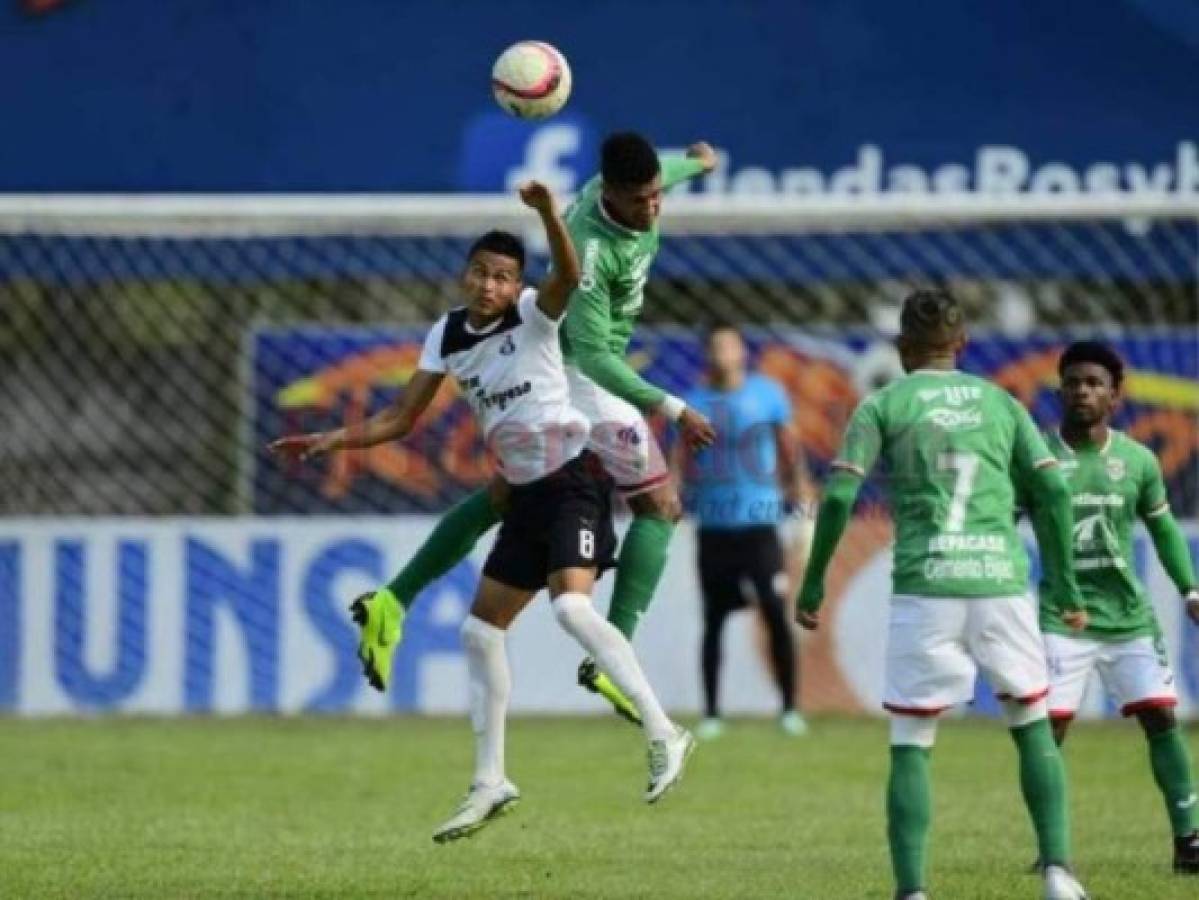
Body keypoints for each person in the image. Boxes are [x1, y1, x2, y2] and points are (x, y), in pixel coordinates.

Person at [270, 182, 694, 842]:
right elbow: (399, 418)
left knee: (570, 608)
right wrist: (331, 439)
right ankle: (490, 781)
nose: (490, 285)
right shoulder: (445, 333)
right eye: (480, 272)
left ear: (517, 283)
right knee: (478, 633)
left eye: (502, 276)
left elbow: (570, 274)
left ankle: (664, 730)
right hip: (524, 495)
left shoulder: (534, 313)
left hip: (572, 480)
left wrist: (548, 214)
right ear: (466, 274)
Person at [348, 132, 719, 723]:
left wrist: (696, 163)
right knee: (661, 506)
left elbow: (660, 174)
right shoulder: (593, 251)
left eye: (656, 195)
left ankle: (392, 599)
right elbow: (595, 356)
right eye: (642, 199)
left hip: (568, 377)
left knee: (507, 494)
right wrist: (673, 408)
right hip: (580, 378)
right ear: (613, 197)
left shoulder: (625, 189)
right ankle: (611, 657)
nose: (653, 207)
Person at [794, 290, 1090, 900]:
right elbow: (1055, 495)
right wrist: (1061, 580)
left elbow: (843, 497)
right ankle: (1058, 875)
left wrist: (817, 577)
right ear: (962, 346)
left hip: (926, 586)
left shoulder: (883, 403)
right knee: (1031, 723)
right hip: (999, 583)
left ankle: (913, 892)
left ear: (902, 347)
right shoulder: (999, 402)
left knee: (912, 740)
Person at [1021, 340, 1199, 874]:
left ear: (1115, 396)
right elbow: (1003, 526)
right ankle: (1052, 853)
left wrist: (1190, 588)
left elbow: (1163, 529)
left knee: (1161, 718)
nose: (1082, 391)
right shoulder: (1036, 459)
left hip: (1128, 619)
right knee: (1046, 729)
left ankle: (1189, 841)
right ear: (1060, 390)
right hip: (1062, 616)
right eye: (1073, 381)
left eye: (1094, 383)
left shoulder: (1138, 460)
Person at [676, 325, 811, 739]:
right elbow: (680, 456)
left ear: (741, 353)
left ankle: (789, 708)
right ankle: (712, 714)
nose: (723, 353)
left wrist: (800, 484)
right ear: (707, 354)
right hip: (714, 524)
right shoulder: (694, 403)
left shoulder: (767, 394)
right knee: (714, 618)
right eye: (716, 346)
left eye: (730, 345)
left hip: (761, 522)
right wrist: (672, 489)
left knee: (774, 609)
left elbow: (789, 446)